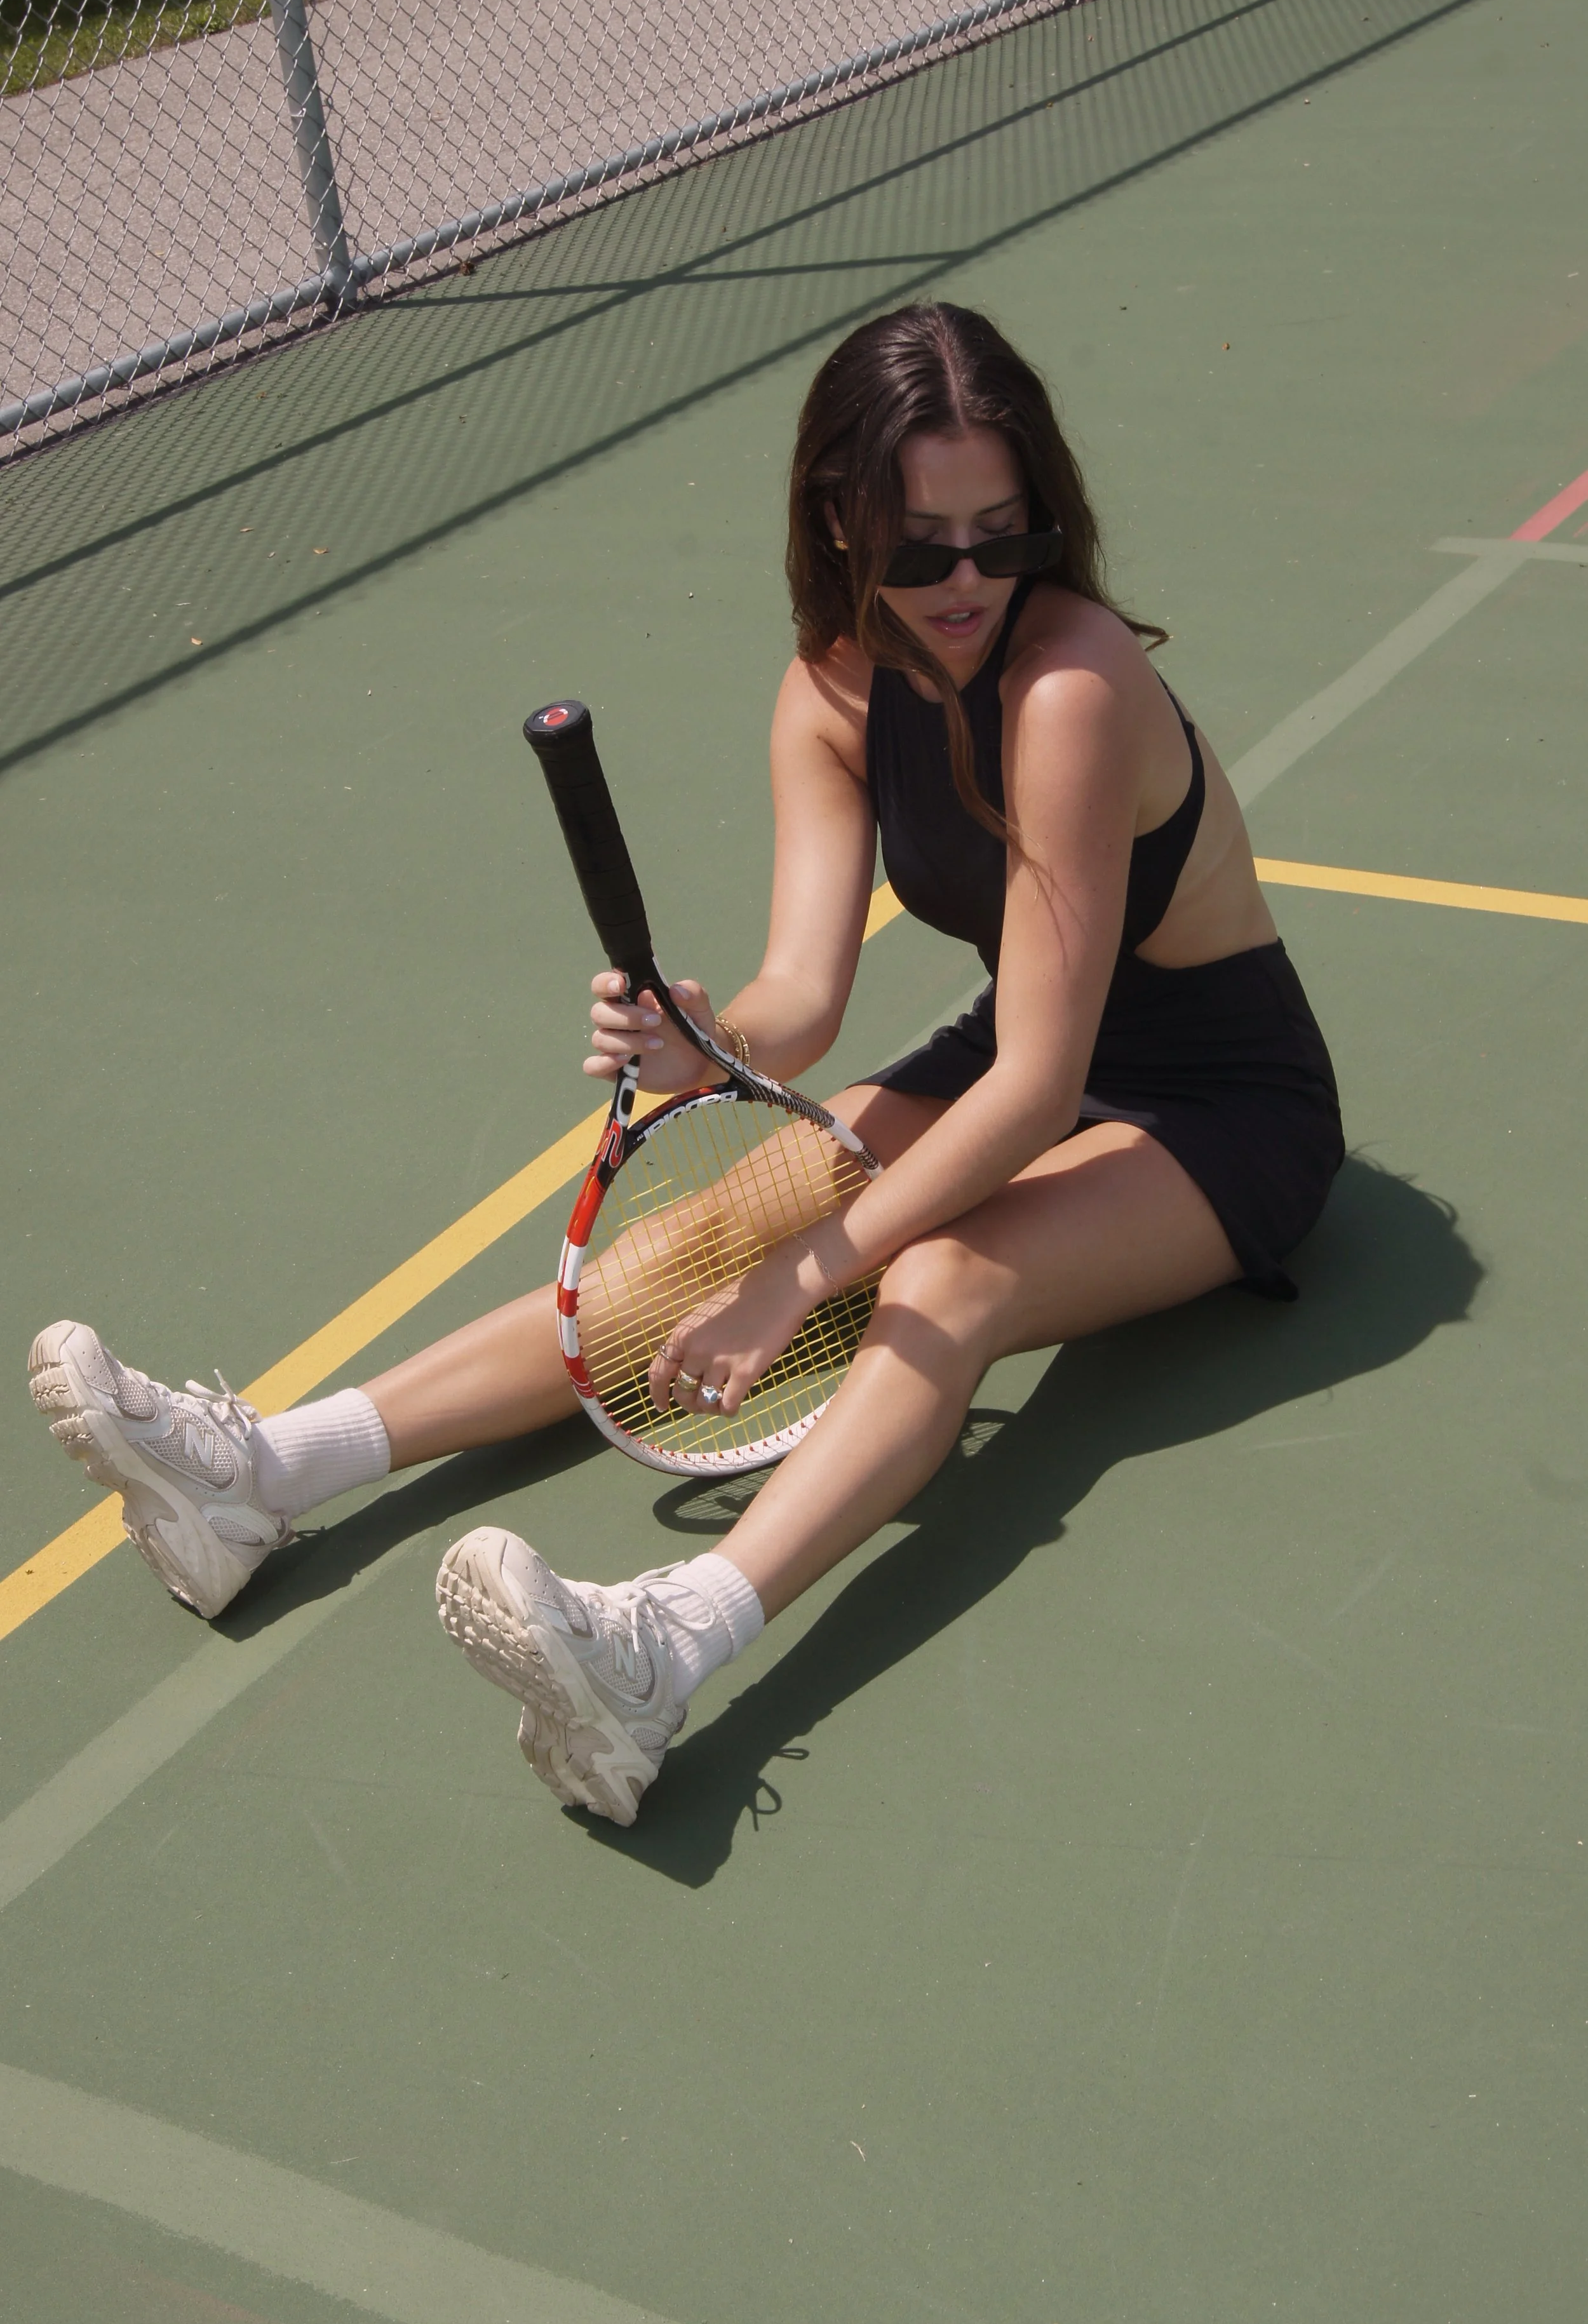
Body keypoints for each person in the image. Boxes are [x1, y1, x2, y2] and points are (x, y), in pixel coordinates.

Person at [29, 302, 1342, 1827]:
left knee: (937, 1285)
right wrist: (695, 1040)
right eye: (921, 546)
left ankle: (665, 1652)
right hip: (1028, 1045)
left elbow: (1042, 1089)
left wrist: (807, 1281)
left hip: (1214, 1105)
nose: (968, 578)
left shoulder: (1068, 690)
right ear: (841, 526)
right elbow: (801, 998)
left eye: (1004, 535)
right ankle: (264, 1476)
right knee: (701, 1237)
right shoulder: (833, 692)